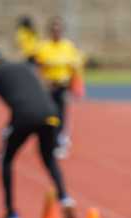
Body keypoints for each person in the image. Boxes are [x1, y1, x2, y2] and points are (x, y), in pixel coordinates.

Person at [0, 49, 77, 218]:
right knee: (49, 159)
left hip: (25, 116)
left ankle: (11, 214)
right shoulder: (24, 68)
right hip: (51, 114)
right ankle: (65, 198)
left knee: (6, 160)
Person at [35, 17, 82, 158]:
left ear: (62, 31)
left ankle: (60, 142)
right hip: (48, 86)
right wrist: (42, 82)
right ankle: (49, 140)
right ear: (50, 31)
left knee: (61, 115)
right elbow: (38, 67)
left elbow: (74, 68)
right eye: (54, 29)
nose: (56, 32)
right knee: (48, 115)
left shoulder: (68, 47)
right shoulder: (44, 47)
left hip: (63, 85)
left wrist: (75, 86)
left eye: (59, 29)